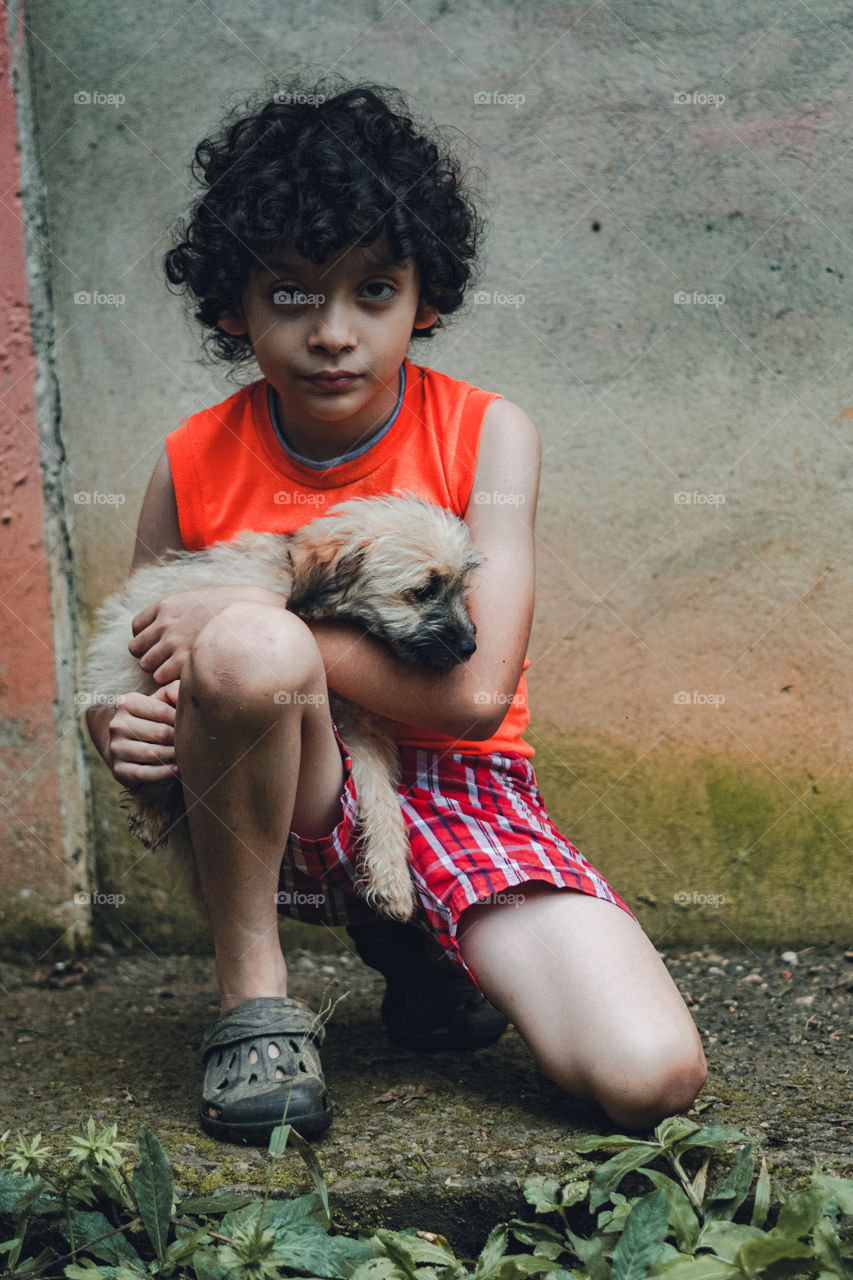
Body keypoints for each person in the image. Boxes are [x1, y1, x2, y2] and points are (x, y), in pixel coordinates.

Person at [86, 81, 706, 1146]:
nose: (334, 333)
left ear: (426, 298)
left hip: (466, 790)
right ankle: (255, 1001)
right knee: (240, 637)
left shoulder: (486, 432)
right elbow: (136, 642)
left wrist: (261, 635)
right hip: (282, 789)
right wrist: (118, 723)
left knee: (651, 1077)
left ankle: (417, 948)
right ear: (232, 305)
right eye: (292, 294)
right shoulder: (190, 457)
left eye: (373, 289)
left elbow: (471, 694)